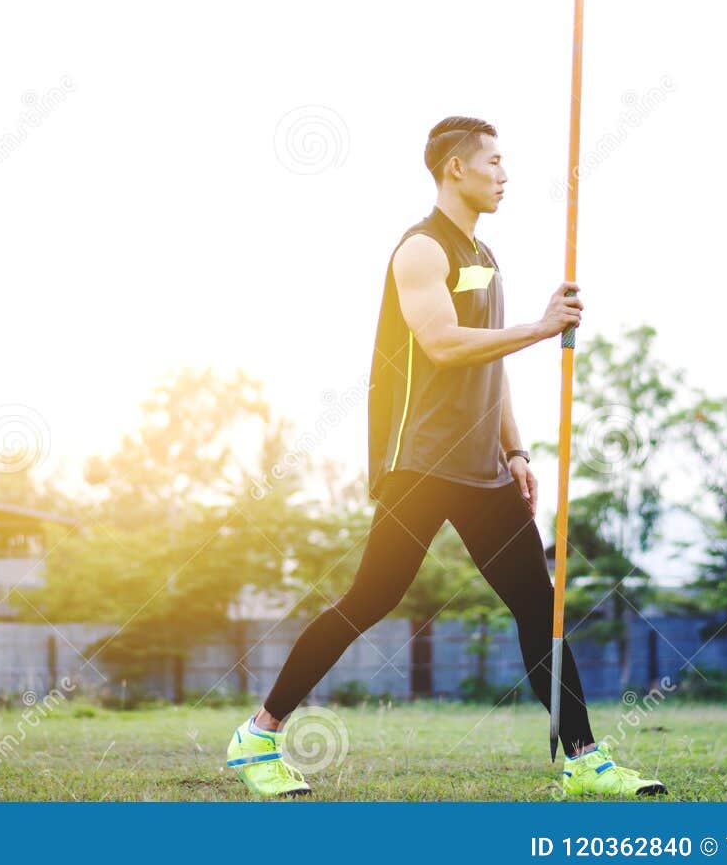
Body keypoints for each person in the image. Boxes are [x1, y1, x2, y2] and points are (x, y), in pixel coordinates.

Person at [226, 115, 667, 799]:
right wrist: (542, 327)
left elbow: (490, 362)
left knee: (538, 606)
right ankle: (258, 735)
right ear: (455, 168)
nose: (504, 175)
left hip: (482, 467)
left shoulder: (485, 255)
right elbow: (442, 343)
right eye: (493, 162)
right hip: (422, 462)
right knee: (370, 598)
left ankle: (584, 760)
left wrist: (514, 448)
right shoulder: (421, 250)